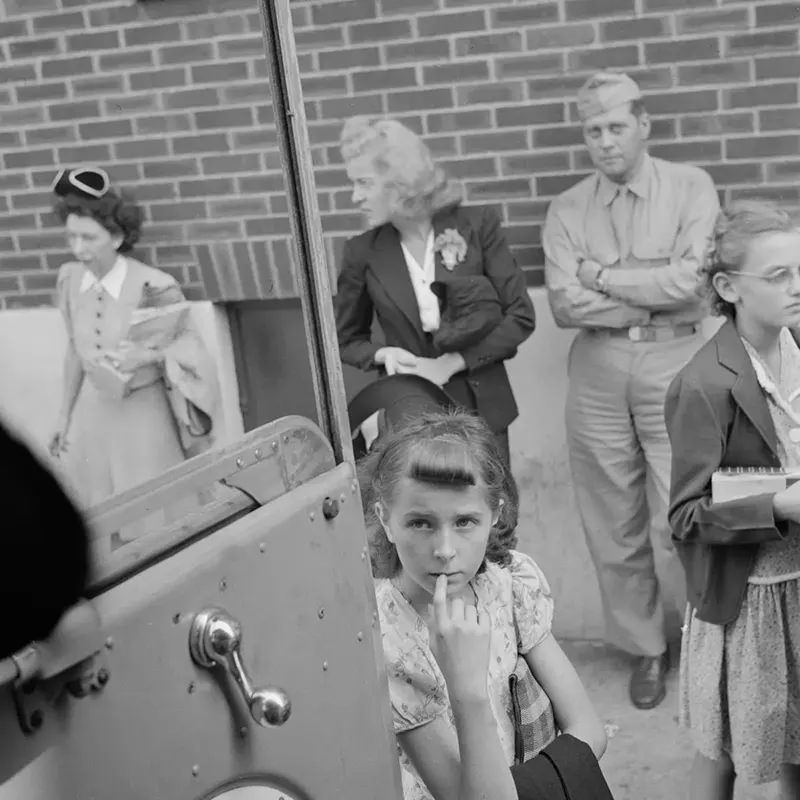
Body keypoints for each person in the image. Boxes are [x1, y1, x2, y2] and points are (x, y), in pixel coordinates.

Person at [542, 71, 719, 709]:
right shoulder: (567, 208)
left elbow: (695, 287)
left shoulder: (691, 187)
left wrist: (601, 277)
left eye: (617, 126)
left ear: (643, 124)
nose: (605, 141)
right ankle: (647, 649)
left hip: (679, 359)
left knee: (686, 512)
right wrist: (648, 280)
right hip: (596, 368)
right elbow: (565, 302)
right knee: (611, 519)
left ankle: (707, 641)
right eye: (593, 130)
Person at [359, 410, 606, 800]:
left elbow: (590, 731)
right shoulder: (385, 639)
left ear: (496, 515)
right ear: (385, 520)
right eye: (420, 523)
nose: (444, 550)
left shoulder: (509, 585)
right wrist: (465, 687)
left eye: (464, 522)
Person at [665, 201, 800, 800]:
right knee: (727, 746)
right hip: (750, 599)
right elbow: (685, 516)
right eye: (778, 276)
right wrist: (777, 507)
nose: (796, 287)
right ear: (728, 287)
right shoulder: (703, 382)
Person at [335, 117, 536, 468]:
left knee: (495, 516)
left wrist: (449, 364)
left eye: (364, 183)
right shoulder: (362, 252)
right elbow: (347, 339)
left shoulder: (475, 226)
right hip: (411, 413)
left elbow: (520, 316)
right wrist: (385, 355)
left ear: (399, 182)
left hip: (482, 407)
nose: (355, 197)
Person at [47, 167, 218, 513]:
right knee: (103, 512)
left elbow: (191, 354)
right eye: (72, 238)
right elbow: (74, 349)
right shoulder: (69, 280)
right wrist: (64, 416)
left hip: (144, 414)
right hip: (96, 416)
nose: (78, 249)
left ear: (116, 237)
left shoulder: (154, 286)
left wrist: (147, 356)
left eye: (89, 238)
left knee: (155, 511)